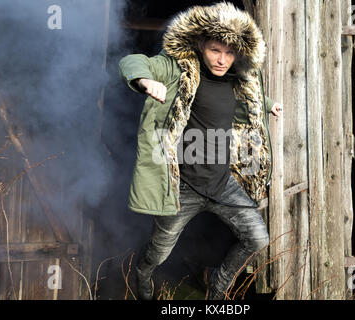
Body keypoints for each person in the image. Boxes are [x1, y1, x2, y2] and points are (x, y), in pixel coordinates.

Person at [118, 2, 282, 300]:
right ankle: (141, 275)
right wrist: (145, 80)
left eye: (229, 53)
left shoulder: (238, 80)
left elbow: (249, 99)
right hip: (184, 188)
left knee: (258, 238)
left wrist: (269, 105)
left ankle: (217, 284)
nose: (222, 60)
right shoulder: (178, 70)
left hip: (223, 185)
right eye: (215, 51)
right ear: (201, 44)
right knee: (158, 253)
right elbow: (133, 61)